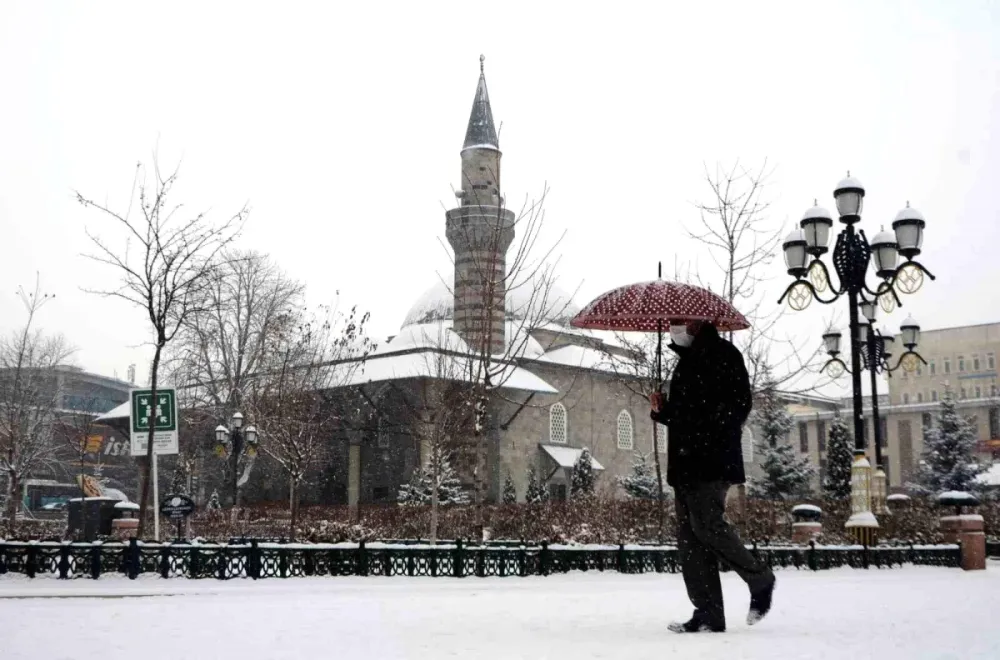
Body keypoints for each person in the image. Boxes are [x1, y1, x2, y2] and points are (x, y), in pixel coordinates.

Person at [650, 319, 775, 633]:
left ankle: (760, 578)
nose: (674, 330)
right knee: (690, 538)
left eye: (679, 324)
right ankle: (708, 613)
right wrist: (663, 410)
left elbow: (735, 408)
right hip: (685, 465)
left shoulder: (723, 355)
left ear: (697, 324)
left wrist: (698, 428)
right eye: (672, 325)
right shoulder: (687, 362)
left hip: (710, 462)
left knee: (708, 526)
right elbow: (685, 416)